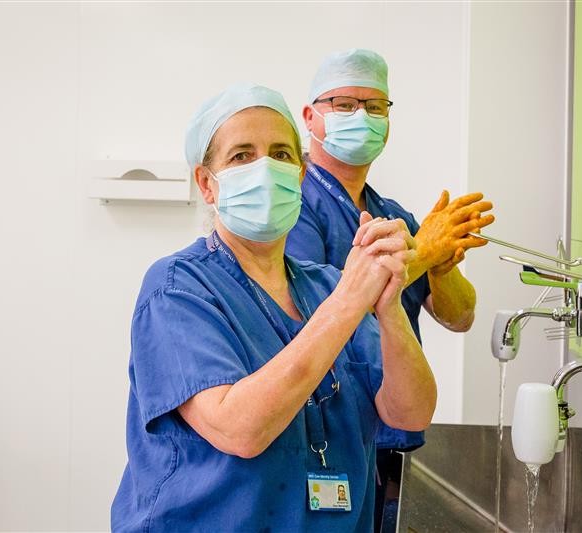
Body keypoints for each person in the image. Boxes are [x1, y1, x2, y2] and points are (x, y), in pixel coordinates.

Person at [111, 82, 437, 532]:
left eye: (281, 154)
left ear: (300, 174)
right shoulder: (177, 289)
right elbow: (240, 429)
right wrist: (349, 300)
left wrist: (390, 307)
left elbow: (410, 414)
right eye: (241, 156)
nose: (265, 168)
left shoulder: (325, 285)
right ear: (207, 184)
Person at [285, 48, 495, 525]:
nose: (361, 117)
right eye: (344, 104)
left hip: (392, 432)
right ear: (310, 117)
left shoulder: (392, 215)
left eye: (375, 106)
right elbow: (321, 308)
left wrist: (439, 264)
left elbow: (461, 315)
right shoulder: (295, 207)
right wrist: (425, 250)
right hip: (328, 429)